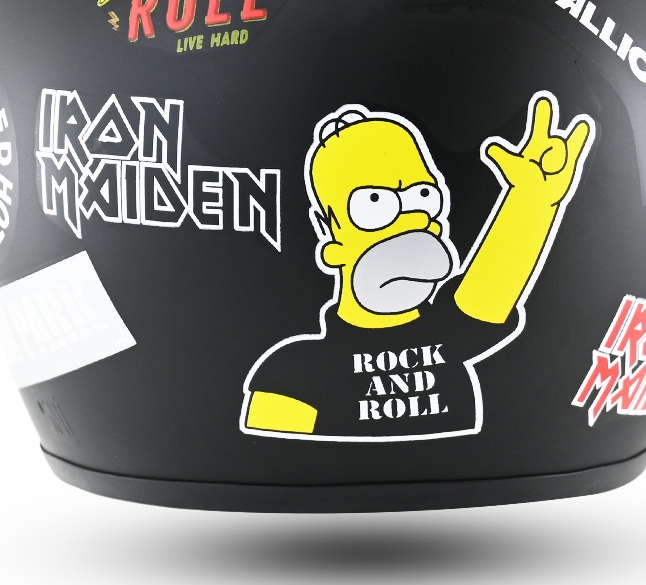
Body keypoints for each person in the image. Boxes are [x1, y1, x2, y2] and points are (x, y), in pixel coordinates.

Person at [241, 94, 594, 440]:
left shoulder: (448, 331)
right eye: (375, 202)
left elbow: (494, 285)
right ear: (328, 232)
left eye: (423, 196)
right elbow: (270, 457)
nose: (412, 220)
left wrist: (532, 200)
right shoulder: (290, 375)